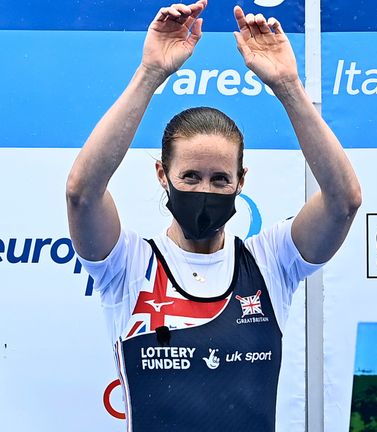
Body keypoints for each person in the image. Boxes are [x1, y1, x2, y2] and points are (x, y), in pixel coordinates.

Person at [65, 1, 361, 430]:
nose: (204, 190)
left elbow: (343, 201)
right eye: (189, 176)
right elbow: (81, 194)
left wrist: (289, 86)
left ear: (241, 181)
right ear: (161, 175)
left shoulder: (271, 262)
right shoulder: (127, 265)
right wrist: (149, 74)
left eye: (219, 179)